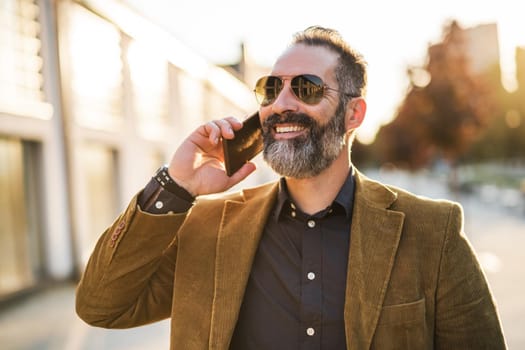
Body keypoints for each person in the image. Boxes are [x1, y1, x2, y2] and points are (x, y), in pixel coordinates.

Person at [76, 26, 506, 349]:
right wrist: (177, 186)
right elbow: (101, 305)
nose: (282, 104)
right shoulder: (209, 227)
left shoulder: (433, 232)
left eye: (306, 88)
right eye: (270, 89)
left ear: (354, 114)